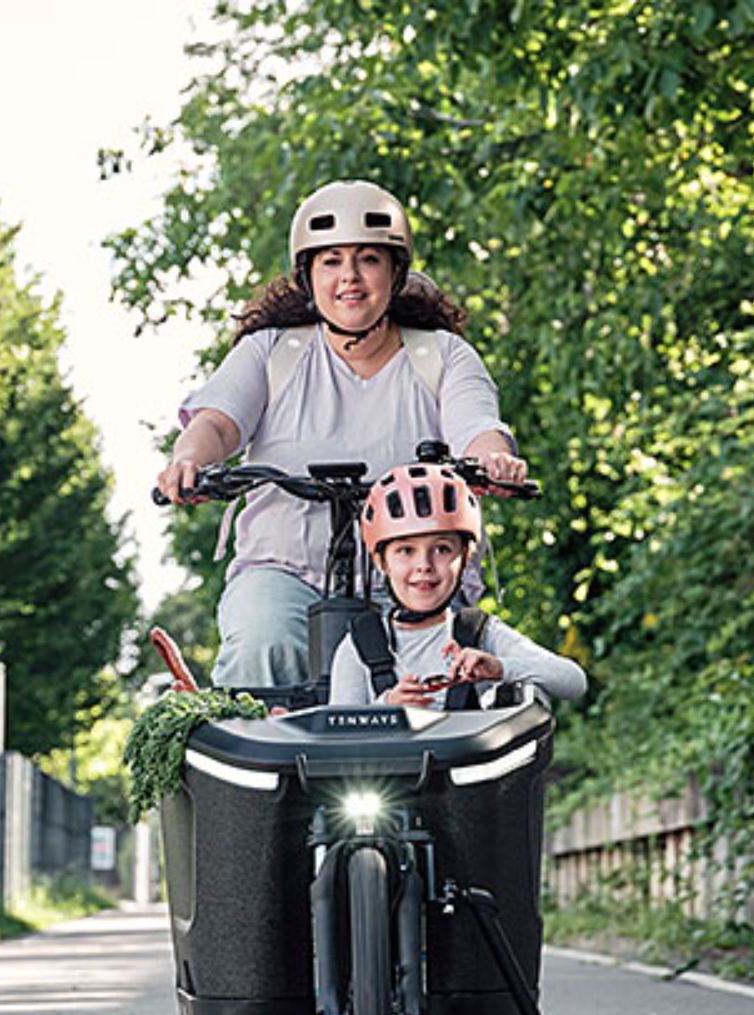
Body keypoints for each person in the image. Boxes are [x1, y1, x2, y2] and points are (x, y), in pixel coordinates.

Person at [155, 178, 528, 689]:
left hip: (414, 578)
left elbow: (478, 429)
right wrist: (190, 460)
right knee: (262, 644)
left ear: (395, 272)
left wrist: (493, 461)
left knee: (448, 678)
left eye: (368, 260)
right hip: (285, 571)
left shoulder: (441, 357)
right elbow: (217, 422)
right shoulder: (271, 354)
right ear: (308, 276)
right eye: (331, 261)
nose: (349, 277)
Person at [329, 462, 587, 708]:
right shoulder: (360, 644)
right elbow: (335, 739)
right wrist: (386, 707)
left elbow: (573, 681)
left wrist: (499, 668)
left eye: (441, 549)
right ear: (381, 561)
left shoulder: (478, 632)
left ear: (464, 558)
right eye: (406, 550)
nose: (424, 565)